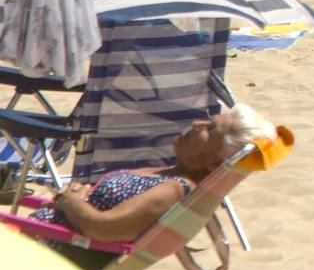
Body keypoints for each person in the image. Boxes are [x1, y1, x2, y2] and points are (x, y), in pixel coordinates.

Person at [30, 105, 275, 250]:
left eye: (210, 130)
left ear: (217, 161)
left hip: (43, 251)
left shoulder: (174, 190)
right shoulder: (172, 175)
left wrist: (69, 201)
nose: (197, 123)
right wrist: (80, 197)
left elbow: (103, 228)